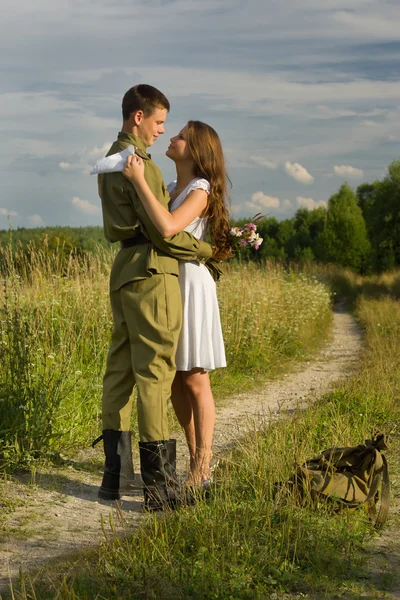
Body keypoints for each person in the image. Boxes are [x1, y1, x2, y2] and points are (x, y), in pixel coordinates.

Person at [96, 84, 218, 511]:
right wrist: (205, 250)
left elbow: (120, 227)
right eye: (160, 122)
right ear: (138, 118)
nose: (163, 132)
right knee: (154, 374)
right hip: (152, 271)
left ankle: (113, 477)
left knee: (119, 373)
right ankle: (159, 487)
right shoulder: (141, 167)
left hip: (123, 271)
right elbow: (162, 232)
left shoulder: (109, 162)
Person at [122, 120, 232, 489]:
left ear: (197, 149)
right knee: (172, 378)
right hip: (166, 282)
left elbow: (168, 228)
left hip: (191, 284)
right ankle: (192, 457)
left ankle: (204, 464)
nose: (172, 138)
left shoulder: (199, 189)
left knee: (195, 377)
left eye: (181, 135)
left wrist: (138, 180)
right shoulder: (171, 187)